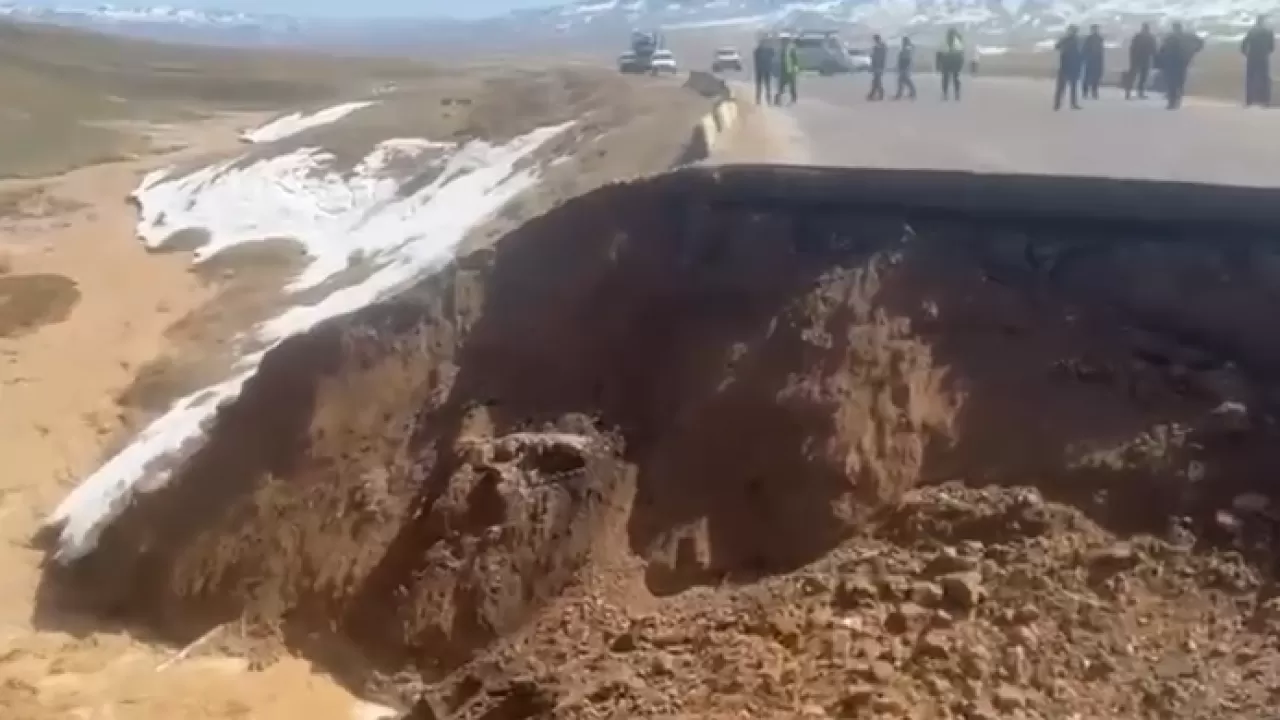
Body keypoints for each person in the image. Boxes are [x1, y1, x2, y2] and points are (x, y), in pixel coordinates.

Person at [1156, 22, 1204, 109]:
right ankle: (1178, 98)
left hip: (1171, 62)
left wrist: (1159, 62)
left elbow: (1162, 50)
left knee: (1171, 81)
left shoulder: (1170, 37)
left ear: (1174, 28)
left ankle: (1172, 101)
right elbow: (1200, 42)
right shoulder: (1187, 36)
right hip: (1183, 61)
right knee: (1180, 80)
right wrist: (1194, 51)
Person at [1241, 15, 1275, 107]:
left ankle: (1249, 100)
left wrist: (1246, 54)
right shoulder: (1268, 32)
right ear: (1263, 22)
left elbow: (1244, 44)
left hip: (1252, 57)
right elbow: (1272, 47)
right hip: (1263, 57)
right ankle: (1266, 101)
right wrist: (1266, 52)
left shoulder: (1252, 31)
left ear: (1257, 21)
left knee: (1250, 78)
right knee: (1265, 79)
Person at [1054, 24, 1084, 110]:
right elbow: (1057, 46)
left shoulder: (1074, 40)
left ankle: (1060, 104)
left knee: (1067, 87)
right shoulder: (1071, 40)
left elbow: (1057, 47)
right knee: (1063, 87)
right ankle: (1059, 104)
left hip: (1069, 66)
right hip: (1067, 66)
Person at [1126, 22, 1158, 99]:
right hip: (1145, 59)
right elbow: (1154, 50)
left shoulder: (1137, 36)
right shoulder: (1151, 37)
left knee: (1133, 76)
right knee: (1143, 77)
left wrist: (1132, 58)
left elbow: (1132, 48)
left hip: (1136, 59)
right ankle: (1140, 92)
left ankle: (1128, 92)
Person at [937, 28, 965, 101]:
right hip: (949, 63)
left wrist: (938, 64)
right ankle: (949, 94)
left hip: (951, 62)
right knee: (950, 79)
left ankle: (953, 94)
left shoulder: (957, 42)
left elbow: (939, 54)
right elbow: (939, 54)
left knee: (951, 79)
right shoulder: (955, 42)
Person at [1082, 24, 1105, 99]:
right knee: (1088, 76)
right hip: (1091, 60)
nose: (1096, 31)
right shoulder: (1089, 39)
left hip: (1096, 60)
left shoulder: (1099, 38)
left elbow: (1101, 51)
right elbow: (1085, 49)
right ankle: (1085, 91)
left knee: (1095, 77)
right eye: (1094, 29)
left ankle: (1094, 91)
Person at [752, 36, 776, 105]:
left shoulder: (761, 50)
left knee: (766, 86)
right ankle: (759, 100)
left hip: (764, 70)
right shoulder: (758, 50)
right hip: (761, 70)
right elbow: (756, 60)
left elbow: (773, 55)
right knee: (761, 86)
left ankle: (767, 100)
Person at [775, 38, 799, 105]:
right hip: (783, 72)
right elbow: (778, 61)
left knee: (792, 86)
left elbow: (795, 59)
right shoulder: (781, 50)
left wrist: (795, 68)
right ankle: (777, 99)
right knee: (781, 87)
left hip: (790, 71)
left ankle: (794, 98)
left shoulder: (791, 49)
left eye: (785, 41)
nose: (784, 43)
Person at [867, 34, 888, 101]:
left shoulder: (880, 47)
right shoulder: (879, 47)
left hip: (878, 66)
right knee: (876, 81)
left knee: (877, 82)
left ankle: (877, 95)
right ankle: (872, 95)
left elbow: (881, 57)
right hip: (877, 66)